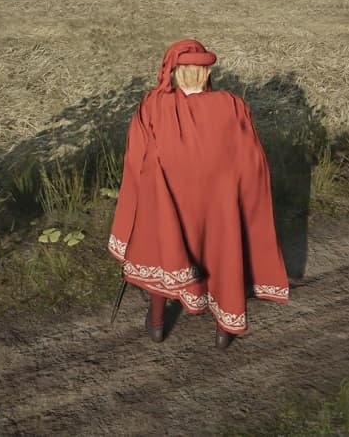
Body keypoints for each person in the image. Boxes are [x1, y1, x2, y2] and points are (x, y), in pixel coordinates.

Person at [108, 39, 290, 350]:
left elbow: (135, 160)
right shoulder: (233, 105)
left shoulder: (152, 105)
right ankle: (223, 329)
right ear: (206, 74)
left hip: (167, 201)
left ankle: (156, 323)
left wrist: (134, 209)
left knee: (161, 251)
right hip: (219, 205)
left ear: (173, 73)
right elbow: (251, 159)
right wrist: (244, 200)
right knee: (223, 252)